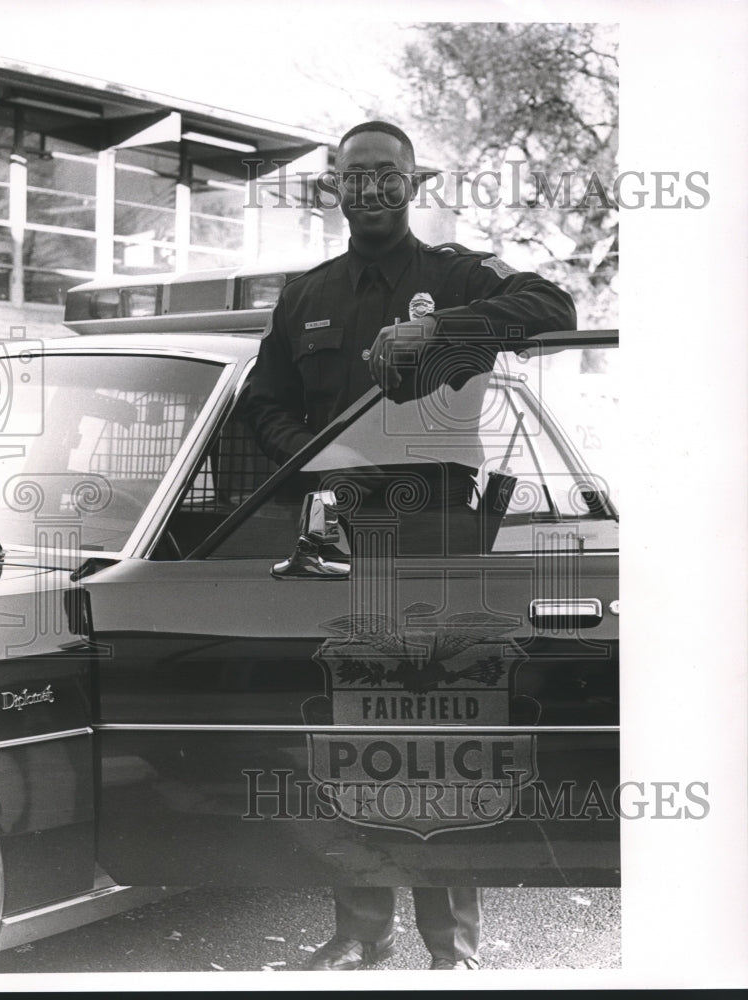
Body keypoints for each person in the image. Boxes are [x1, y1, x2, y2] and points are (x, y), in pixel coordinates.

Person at [244, 121, 577, 972]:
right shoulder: (306, 293)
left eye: (388, 175)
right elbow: (264, 400)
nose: (372, 190)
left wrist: (442, 330)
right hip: (344, 531)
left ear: (414, 181)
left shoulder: (455, 274)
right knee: (348, 729)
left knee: (440, 732)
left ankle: (450, 947)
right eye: (356, 176)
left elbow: (554, 306)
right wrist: (316, 463)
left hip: (436, 533)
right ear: (335, 187)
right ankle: (360, 932)